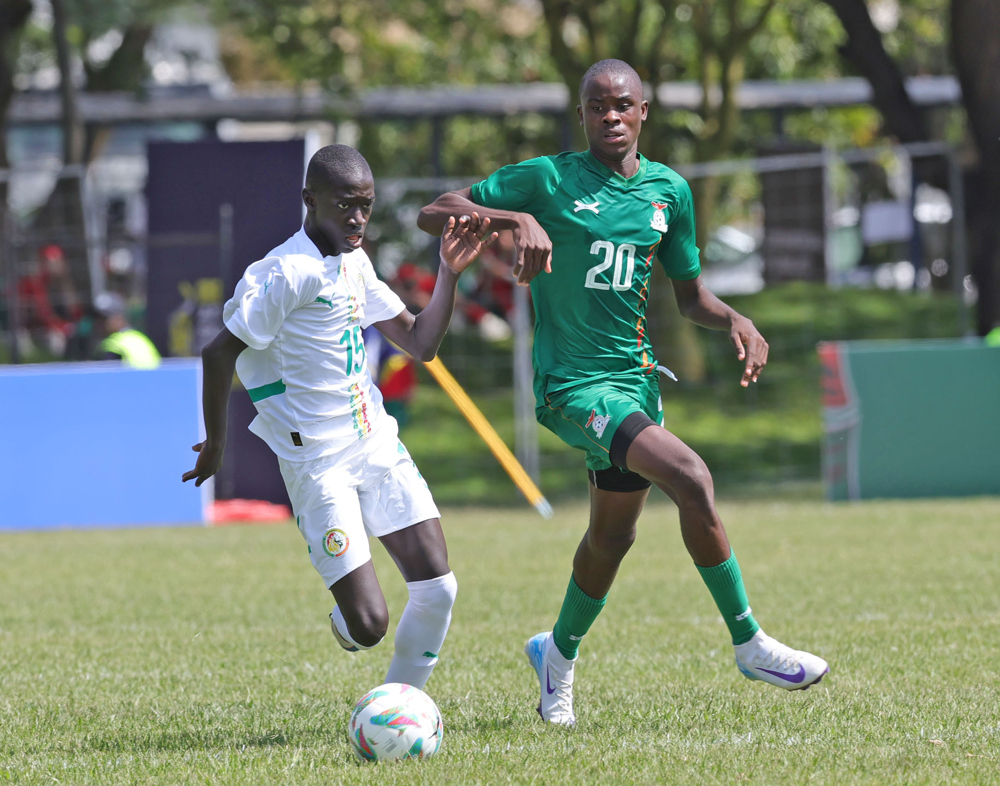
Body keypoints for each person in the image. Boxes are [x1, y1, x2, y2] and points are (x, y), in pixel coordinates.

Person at [418, 60, 828, 724]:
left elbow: (690, 297)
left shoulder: (670, 192)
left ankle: (556, 656)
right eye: (597, 106)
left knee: (612, 538)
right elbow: (432, 212)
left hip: (634, 384)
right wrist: (512, 217)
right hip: (572, 387)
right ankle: (749, 642)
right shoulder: (547, 179)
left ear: (643, 112)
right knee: (691, 476)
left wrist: (735, 319)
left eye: (622, 105)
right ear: (581, 115)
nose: (610, 115)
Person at [182, 144, 496, 691]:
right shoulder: (286, 272)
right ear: (310, 200)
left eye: (365, 206)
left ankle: (399, 708)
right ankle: (351, 621)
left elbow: (421, 342)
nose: (357, 218)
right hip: (318, 464)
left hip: (375, 441)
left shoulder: (356, 262)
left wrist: (447, 272)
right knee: (369, 625)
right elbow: (217, 353)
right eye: (345, 204)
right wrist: (216, 444)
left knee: (439, 588)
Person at [93, 291, 161, 369]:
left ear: (119, 317)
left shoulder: (112, 343)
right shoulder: (141, 338)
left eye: (104, 318)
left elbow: (106, 373)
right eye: (97, 318)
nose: (99, 323)